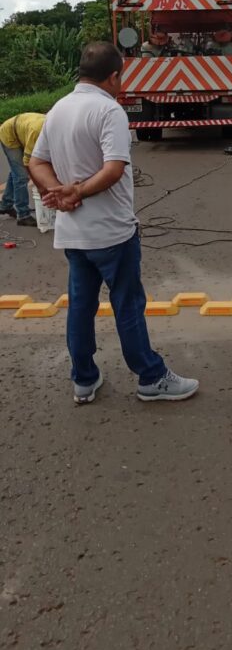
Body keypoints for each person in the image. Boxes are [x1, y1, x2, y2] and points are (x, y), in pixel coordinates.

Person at [29, 42, 199, 404]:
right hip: (111, 232)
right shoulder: (109, 111)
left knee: (80, 307)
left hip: (73, 234)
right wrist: (75, 192)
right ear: (114, 76)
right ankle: (151, 377)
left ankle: (84, 380)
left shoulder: (58, 109)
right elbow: (113, 168)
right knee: (127, 305)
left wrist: (59, 193)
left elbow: (37, 162)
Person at [0, 113, 46, 226]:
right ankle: (23, 215)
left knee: (16, 172)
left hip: (21, 132)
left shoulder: (53, 130)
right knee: (21, 175)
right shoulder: (37, 132)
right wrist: (40, 186)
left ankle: (5, 205)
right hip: (9, 135)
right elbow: (28, 162)